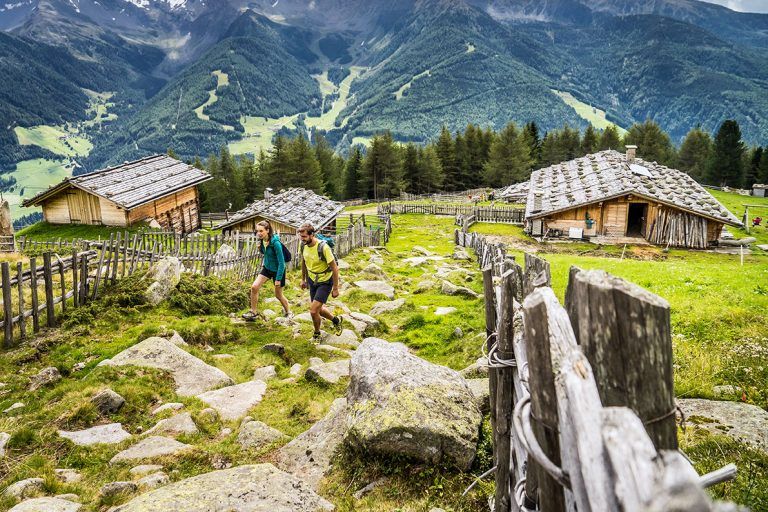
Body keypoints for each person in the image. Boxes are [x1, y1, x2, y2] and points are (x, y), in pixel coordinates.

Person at [298, 223, 343, 343]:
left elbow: (334, 268)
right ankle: (336, 321)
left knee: (313, 311)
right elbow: (304, 262)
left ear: (312, 235)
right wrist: (303, 279)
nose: (302, 239)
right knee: (319, 309)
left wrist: (335, 288)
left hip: (325, 281)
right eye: (301, 236)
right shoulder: (303, 245)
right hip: (312, 280)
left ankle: (317, 334)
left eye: (304, 236)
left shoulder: (323, 248)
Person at [242, 220, 291, 321]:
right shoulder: (262, 241)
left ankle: (289, 312)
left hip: (278, 271)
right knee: (254, 287)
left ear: (268, 230)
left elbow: (282, 263)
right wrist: (260, 249)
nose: (259, 233)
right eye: (257, 231)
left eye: (261, 231)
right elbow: (267, 254)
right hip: (267, 268)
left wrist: (278, 279)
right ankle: (253, 312)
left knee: (278, 295)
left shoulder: (275, 243)